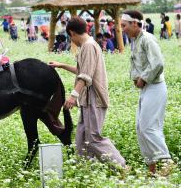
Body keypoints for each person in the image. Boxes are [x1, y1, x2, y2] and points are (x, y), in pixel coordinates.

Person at [49, 16, 126, 169]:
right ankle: (86, 170)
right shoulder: (87, 45)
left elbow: (85, 76)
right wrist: (62, 65)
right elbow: (82, 70)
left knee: (93, 138)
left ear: (72, 33)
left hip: (94, 98)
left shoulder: (89, 46)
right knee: (82, 137)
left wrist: (73, 95)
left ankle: (121, 166)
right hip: (88, 99)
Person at [121, 10, 175, 176]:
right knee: (140, 127)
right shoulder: (136, 40)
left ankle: (167, 162)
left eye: (125, 25)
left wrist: (143, 78)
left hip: (155, 87)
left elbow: (158, 63)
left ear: (135, 24)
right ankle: (152, 167)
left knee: (149, 128)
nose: (123, 29)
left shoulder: (147, 39)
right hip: (147, 89)